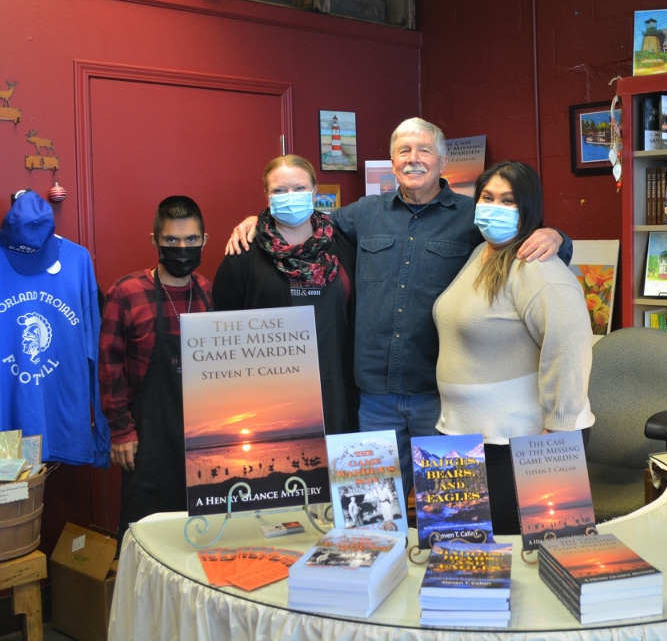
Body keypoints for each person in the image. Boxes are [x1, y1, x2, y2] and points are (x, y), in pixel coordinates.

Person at [225, 118, 570, 489]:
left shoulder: (474, 216)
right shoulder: (362, 213)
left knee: (450, 511)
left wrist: (557, 236)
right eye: (403, 151)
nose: (413, 159)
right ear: (392, 162)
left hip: (439, 397)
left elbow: (520, 234)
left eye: (424, 150)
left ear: (443, 161)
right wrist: (255, 222)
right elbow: (304, 224)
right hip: (372, 397)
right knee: (371, 510)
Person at [433, 160, 595, 535]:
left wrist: (560, 429)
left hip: (524, 441)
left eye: (508, 201)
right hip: (466, 437)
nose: (495, 207)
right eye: (488, 197)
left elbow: (569, 346)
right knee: (467, 560)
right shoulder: (482, 253)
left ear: (528, 209)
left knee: (530, 557)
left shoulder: (538, 267)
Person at [213, 154, 358, 435]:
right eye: (279, 190)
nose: (290, 196)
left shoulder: (344, 245)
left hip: (337, 390)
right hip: (270, 400)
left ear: (315, 191)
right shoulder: (244, 252)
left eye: (300, 188)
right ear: (267, 196)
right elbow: (223, 329)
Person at [99, 196, 212, 543]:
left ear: (204, 241)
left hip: (203, 437)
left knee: (200, 537)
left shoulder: (207, 291)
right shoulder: (127, 292)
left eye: (191, 240)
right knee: (148, 539)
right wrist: (120, 431)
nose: (182, 249)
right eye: (172, 241)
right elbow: (108, 365)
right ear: (155, 241)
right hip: (147, 439)